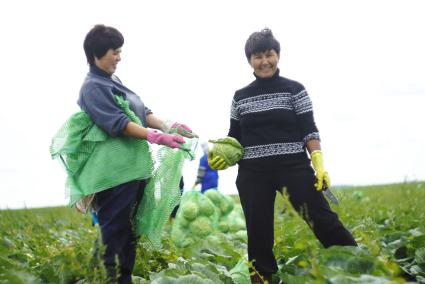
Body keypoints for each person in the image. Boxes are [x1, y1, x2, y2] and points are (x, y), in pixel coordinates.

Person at [208, 28, 357, 284]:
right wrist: (221, 155)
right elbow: (235, 137)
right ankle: (262, 279)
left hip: (294, 167)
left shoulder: (294, 89)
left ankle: (360, 265)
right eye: (258, 56)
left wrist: (318, 162)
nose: (264, 61)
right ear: (249, 61)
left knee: (322, 219)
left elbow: (309, 129)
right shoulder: (240, 97)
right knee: (259, 232)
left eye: (269, 55)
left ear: (278, 55)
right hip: (253, 173)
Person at [79, 24, 194, 283]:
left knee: (129, 231)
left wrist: (167, 125)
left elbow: (141, 111)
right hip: (114, 174)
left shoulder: (113, 81)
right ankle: (104, 278)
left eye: (119, 51)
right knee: (114, 231)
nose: (119, 57)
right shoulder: (93, 87)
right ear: (97, 52)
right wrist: (156, 137)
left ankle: (124, 278)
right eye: (114, 51)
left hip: (133, 170)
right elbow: (118, 123)